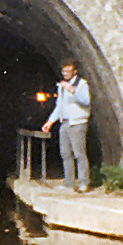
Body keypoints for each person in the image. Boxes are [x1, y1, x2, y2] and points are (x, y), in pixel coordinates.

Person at [42, 58, 90, 192]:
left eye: (68, 71)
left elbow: (86, 101)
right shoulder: (62, 86)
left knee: (79, 153)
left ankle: (83, 183)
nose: (65, 73)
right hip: (65, 123)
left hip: (78, 122)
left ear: (75, 71)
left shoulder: (81, 85)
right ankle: (68, 183)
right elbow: (60, 106)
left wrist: (72, 90)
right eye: (63, 71)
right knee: (65, 153)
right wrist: (50, 121)